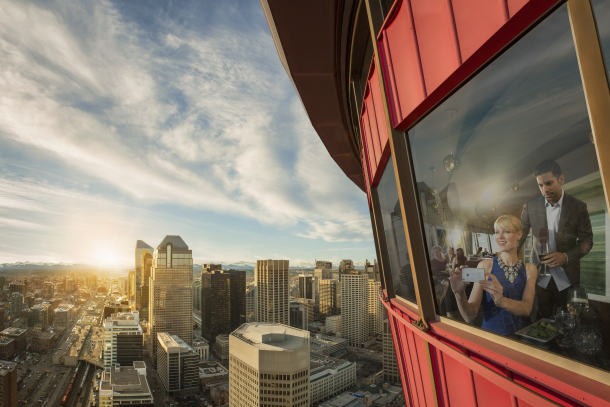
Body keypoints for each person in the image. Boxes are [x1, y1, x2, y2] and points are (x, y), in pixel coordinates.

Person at [518, 160, 593, 318]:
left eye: (549, 183)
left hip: (566, 277)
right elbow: (519, 236)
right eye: (540, 185)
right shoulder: (530, 206)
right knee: (538, 320)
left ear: (561, 179)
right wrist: (504, 260)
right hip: (538, 276)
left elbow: (587, 241)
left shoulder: (578, 207)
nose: (545, 189)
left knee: (566, 321)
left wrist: (566, 256)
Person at [450, 215, 537, 335]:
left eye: (506, 231)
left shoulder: (530, 269)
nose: (500, 237)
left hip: (521, 338)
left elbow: (527, 309)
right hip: (491, 337)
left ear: (519, 235)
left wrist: (501, 301)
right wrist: (459, 293)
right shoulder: (484, 266)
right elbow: (469, 316)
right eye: (497, 232)